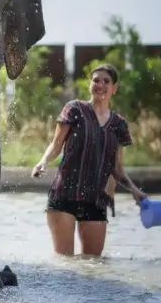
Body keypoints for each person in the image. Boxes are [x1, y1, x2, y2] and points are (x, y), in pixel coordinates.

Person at [31, 63, 147, 257]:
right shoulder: (74, 109)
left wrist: (134, 190)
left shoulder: (118, 124)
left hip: (96, 200)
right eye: (96, 80)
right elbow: (56, 144)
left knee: (93, 266)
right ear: (89, 84)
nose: (100, 84)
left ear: (114, 88)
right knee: (64, 264)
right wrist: (42, 161)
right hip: (64, 196)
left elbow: (117, 168)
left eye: (106, 81)